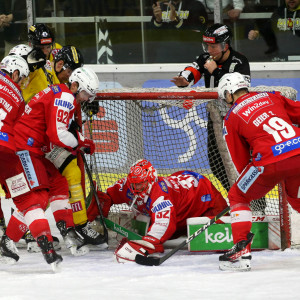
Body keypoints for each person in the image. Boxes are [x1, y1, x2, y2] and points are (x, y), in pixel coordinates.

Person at [0, 67, 99, 270]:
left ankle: (66, 229)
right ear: (75, 85)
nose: (85, 99)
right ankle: (10, 240)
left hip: (36, 148)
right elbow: (57, 134)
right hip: (24, 149)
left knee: (59, 182)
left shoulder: (61, 93)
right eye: (85, 94)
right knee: (37, 197)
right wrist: (82, 142)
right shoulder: (65, 96)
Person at [217, 72, 300, 271]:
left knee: (238, 195)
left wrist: (252, 181)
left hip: (268, 163)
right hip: (298, 152)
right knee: (297, 201)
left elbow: (241, 163)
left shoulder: (231, 118)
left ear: (229, 94)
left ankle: (241, 250)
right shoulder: (272, 96)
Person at [86, 159, 229, 263]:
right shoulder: (128, 185)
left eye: (140, 185)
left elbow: (163, 226)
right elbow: (108, 197)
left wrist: (145, 244)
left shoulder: (160, 194)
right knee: (176, 230)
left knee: (223, 238)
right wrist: (97, 206)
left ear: (151, 181)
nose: (135, 189)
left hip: (204, 195)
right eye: (133, 184)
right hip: (180, 203)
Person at [171, 23, 250, 192]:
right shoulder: (205, 58)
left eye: (213, 46)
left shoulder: (240, 61)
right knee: (216, 164)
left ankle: (258, 206)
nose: (209, 49)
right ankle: (235, 196)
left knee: (241, 163)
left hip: (236, 119)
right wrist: (183, 80)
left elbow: (241, 89)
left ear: (225, 45)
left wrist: (216, 72)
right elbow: (193, 69)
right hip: (214, 118)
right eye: (207, 45)